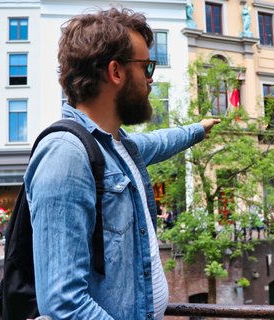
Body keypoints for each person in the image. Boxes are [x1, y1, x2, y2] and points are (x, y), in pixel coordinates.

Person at [25, 7, 221, 320]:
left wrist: (198, 129)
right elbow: (64, 305)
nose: (151, 78)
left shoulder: (116, 145)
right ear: (116, 72)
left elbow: (159, 142)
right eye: (146, 66)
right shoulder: (66, 155)